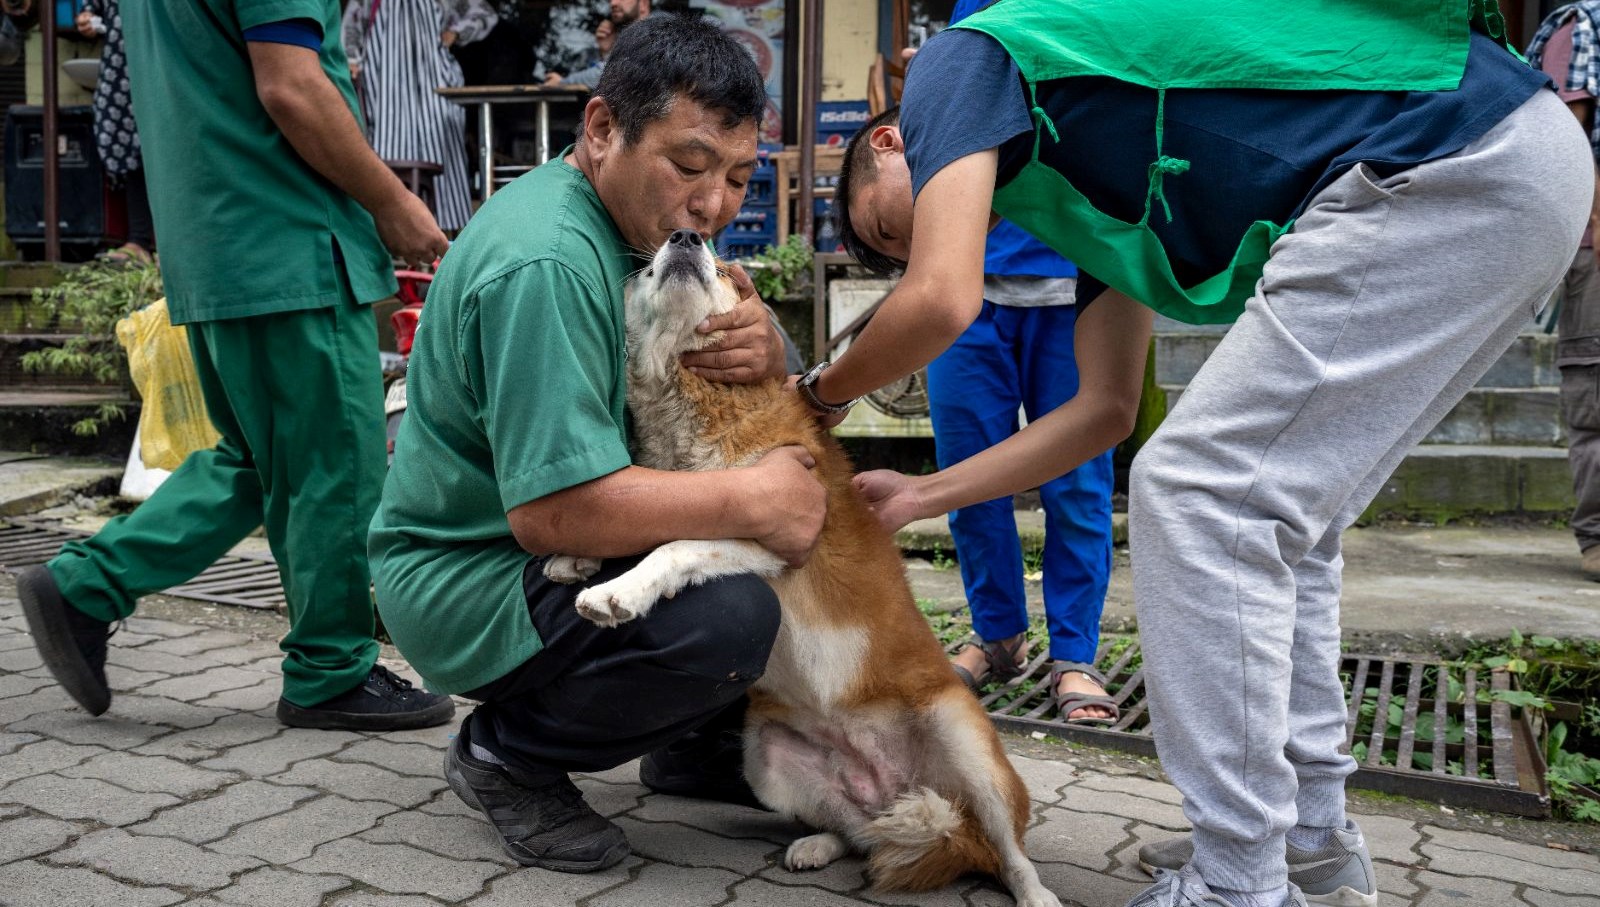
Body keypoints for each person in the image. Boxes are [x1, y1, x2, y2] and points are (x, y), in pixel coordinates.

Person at [816, 2, 1589, 905]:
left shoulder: (961, 59)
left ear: (891, 142)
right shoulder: (1079, 183)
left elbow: (939, 299)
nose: (913, 246)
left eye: (885, 229)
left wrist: (813, 397)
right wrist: (920, 496)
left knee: (1201, 493)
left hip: (1456, 154)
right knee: (1283, 525)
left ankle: (1238, 879)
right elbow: (1102, 412)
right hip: (1506, 169)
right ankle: (1307, 844)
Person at [368, 14, 823, 872]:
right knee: (725, 613)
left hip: (576, 532)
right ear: (603, 128)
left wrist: (774, 349)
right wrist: (756, 500)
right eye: (689, 166)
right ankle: (508, 754)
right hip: (475, 568)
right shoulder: (545, 261)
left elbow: (762, 395)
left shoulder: (650, 226)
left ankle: (692, 744)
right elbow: (556, 514)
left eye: (737, 176)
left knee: (786, 564)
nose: (713, 204)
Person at [18, 0, 456, 733]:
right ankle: (330, 669)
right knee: (334, 465)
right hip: (289, 236)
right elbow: (291, 85)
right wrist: (391, 200)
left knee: (256, 459)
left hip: (217, 240)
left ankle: (85, 587)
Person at [926, 0, 1117, 725]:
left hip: (1078, 284)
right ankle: (997, 634)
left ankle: (1074, 653)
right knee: (967, 474)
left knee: (1077, 482)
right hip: (966, 288)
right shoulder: (973, 8)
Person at [1528, 2, 1600, 582]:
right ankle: (1599, 540)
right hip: (1597, 244)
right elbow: (1565, 135)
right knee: (1597, 396)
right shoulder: (1584, 26)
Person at [342, 0, 497, 231]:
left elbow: (484, 13)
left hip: (433, 84)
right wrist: (352, 60)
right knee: (385, 157)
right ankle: (386, 230)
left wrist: (455, 33)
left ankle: (444, 240)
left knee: (442, 156)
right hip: (385, 87)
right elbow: (351, 27)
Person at [76, 0, 155, 265]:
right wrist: (87, 18)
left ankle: (174, 244)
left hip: (162, 58)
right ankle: (139, 240)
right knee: (127, 148)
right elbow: (93, 8)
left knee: (166, 148)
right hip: (120, 64)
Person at [543, 16, 614, 89]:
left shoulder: (620, 57)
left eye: (609, 31)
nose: (602, 34)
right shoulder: (587, 54)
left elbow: (602, 74)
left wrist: (562, 82)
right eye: (600, 29)